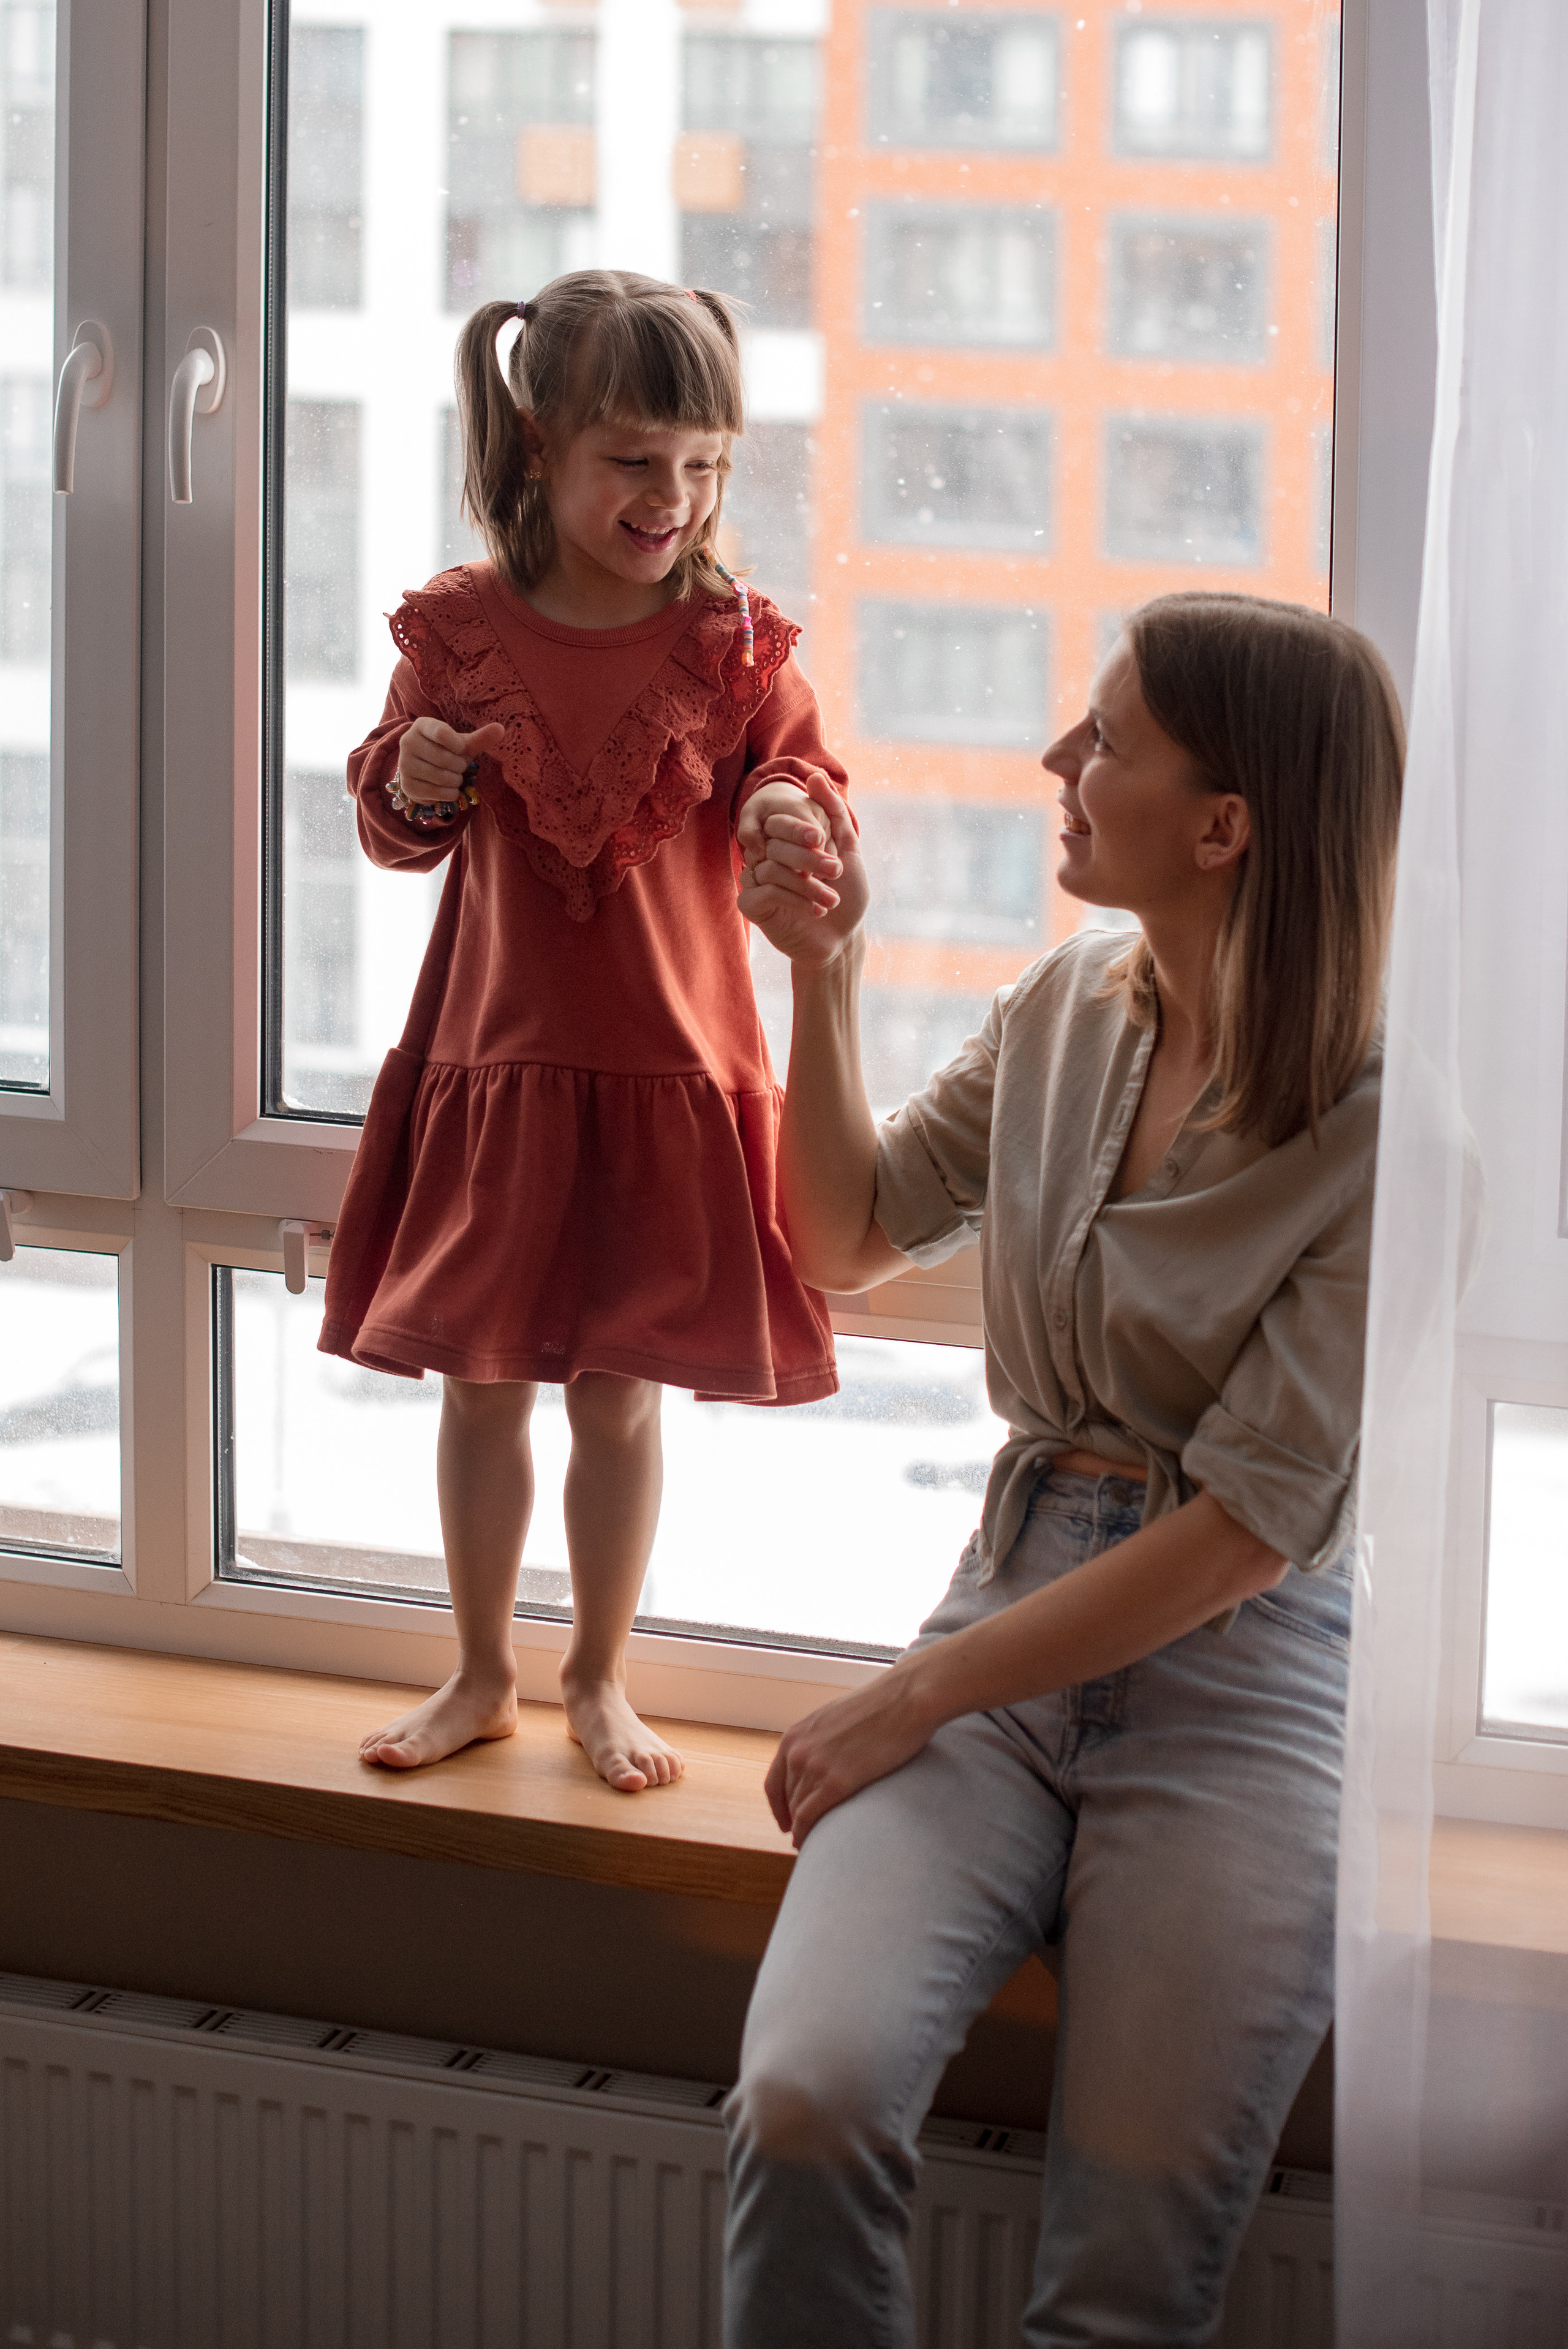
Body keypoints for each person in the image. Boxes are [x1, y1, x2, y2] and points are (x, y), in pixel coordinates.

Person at [723, 592, 1405, 2344]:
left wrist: (909, 1697)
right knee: (802, 2104)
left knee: (1121, 2288)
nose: (1059, 762)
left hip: (1244, 1682)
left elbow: (1250, 1530)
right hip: (1022, 1591)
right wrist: (820, 967)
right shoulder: (1066, 1005)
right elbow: (848, 1233)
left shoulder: (1396, 1122)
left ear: (1226, 824)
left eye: (1106, 739)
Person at [319, 271, 849, 1791]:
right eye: (634, 460)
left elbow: (816, 785)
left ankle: (597, 1675)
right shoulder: (461, 629)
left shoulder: (734, 645)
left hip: (670, 1071)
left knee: (621, 1396)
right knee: (484, 1386)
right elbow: (395, 828)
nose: (670, 497)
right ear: (539, 441)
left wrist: (780, 804)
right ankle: (482, 1670)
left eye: (703, 466)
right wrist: (414, 767)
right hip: (500, 1065)